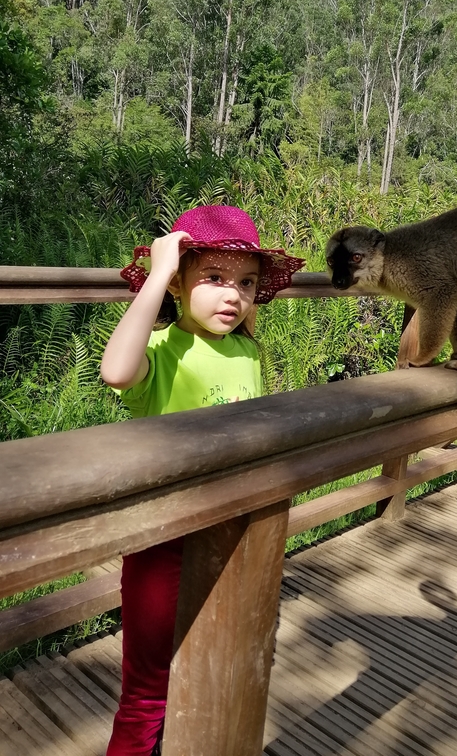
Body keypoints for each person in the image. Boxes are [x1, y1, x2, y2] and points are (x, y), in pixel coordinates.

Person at [101, 205, 304, 756]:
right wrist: (161, 271)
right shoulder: (166, 350)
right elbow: (117, 371)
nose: (232, 295)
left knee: (225, 659)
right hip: (163, 537)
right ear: (180, 283)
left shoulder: (246, 351)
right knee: (148, 687)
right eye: (212, 278)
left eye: (245, 283)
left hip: (231, 534)